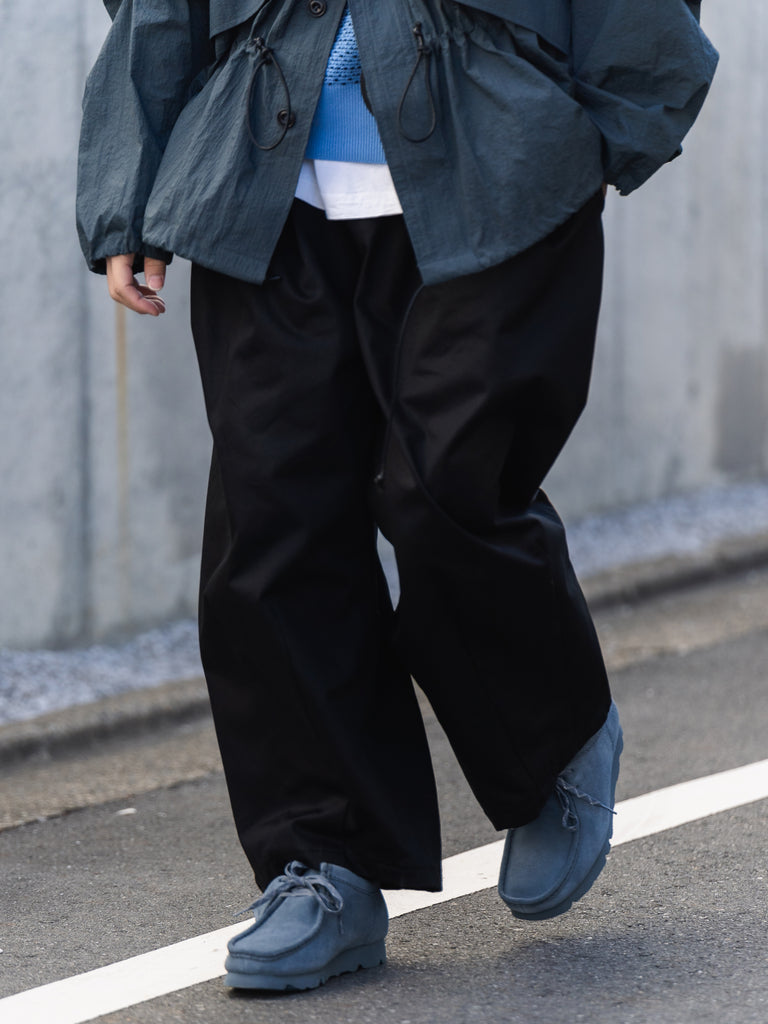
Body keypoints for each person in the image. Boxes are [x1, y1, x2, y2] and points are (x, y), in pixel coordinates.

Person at [77, 0, 717, 993]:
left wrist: (607, 121)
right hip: (265, 166)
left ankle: (553, 739)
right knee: (274, 520)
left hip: (495, 162)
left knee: (447, 491)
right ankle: (324, 861)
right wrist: (129, 181)